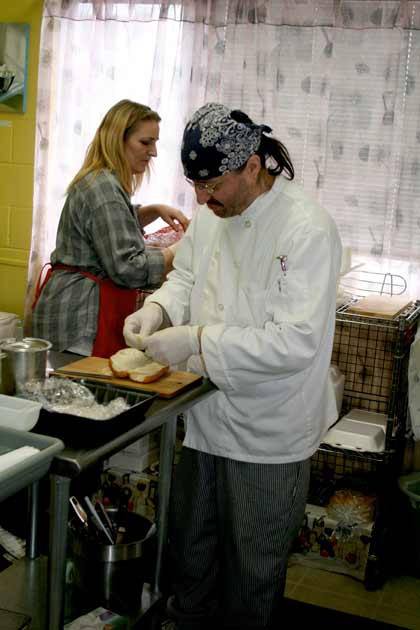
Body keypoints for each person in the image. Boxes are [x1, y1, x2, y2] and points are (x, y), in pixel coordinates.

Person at [123, 102, 342, 629]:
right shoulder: (213, 214)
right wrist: (158, 308)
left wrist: (197, 338)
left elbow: (295, 342)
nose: (201, 198)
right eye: (194, 185)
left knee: (252, 573)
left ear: (252, 166)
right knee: (191, 557)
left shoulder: (306, 229)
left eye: (213, 184)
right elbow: (186, 276)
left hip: (269, 433)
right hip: (205, 417)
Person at [32, 99, 189, 358]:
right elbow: (128, 268)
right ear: (119, 139)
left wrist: (150, 211)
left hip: (72, 312)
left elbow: (108, 227)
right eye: (145, 142)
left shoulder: (100, 180)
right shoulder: (104, 189)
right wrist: (180, 249)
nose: (154, 152)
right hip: (80, 318)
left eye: (156, 143)